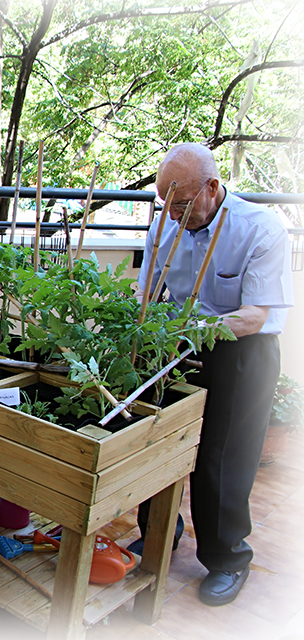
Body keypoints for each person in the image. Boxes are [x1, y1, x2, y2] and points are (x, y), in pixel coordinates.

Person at [134, 142, 294, 606]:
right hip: (179, 345)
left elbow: (255, 316)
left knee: (223, 458)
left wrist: (191, 327)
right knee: (159, 441)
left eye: (181, 204)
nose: (172, 214)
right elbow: (145, 296)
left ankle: (227, 559)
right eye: (165, 203)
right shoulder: (165, 222)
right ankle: (161, 534)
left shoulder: (260, 228)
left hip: (242, 349)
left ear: (212, 187)